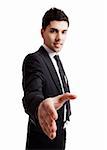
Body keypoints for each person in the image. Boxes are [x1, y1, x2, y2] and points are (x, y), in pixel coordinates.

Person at [22, 7, 76, 150]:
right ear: (42, 32)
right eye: (53, 31)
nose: (59, 38)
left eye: (63, 32)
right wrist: (39, 106)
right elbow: (32, 93)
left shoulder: (56, 59)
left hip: (59, 136)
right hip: (42, 139)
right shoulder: (34, 60)